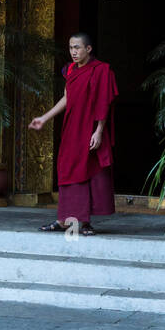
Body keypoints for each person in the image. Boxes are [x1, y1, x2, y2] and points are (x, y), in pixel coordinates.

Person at [29, 32, 117, 235]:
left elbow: (104, 102)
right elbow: (67, 97)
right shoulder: (70, 70)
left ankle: (83, 222)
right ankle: (63, 220)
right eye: (70, 48)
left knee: (87, 170)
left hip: (90, 128)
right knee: (68, 169)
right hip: (72, 128)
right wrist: (44, 118)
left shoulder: (101, 70)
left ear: (88, 49)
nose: (73, 52)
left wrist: (99, 131)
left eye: (77, 47)